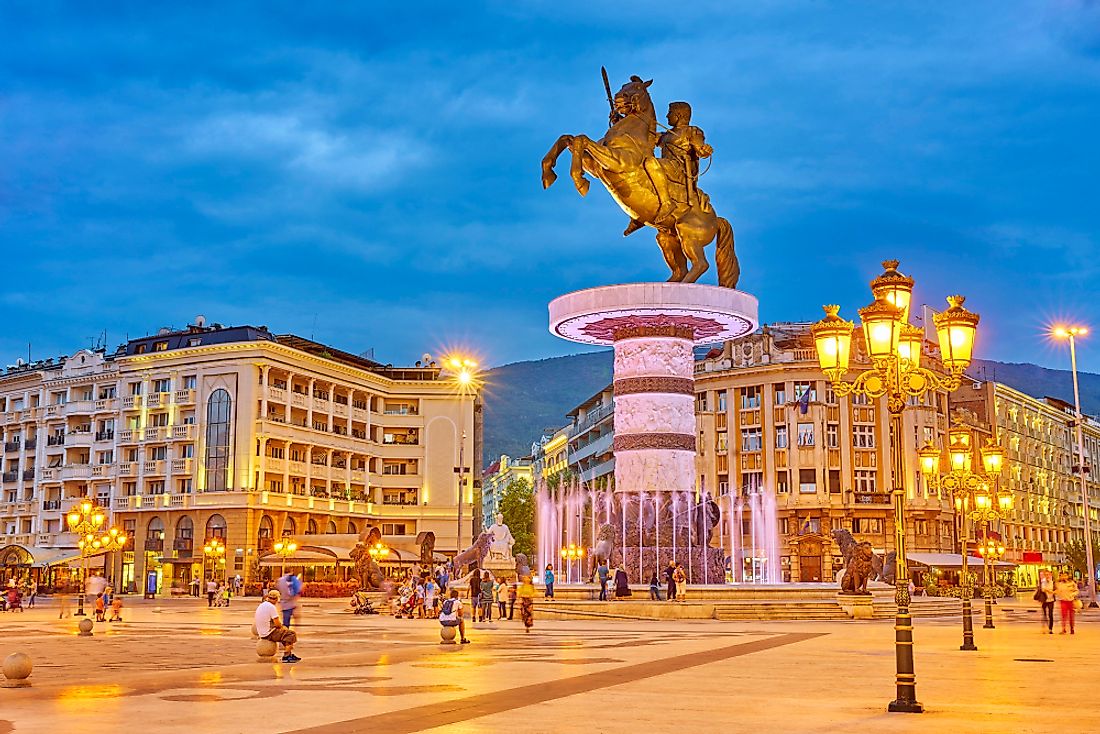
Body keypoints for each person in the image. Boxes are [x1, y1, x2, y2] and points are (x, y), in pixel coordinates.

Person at [255, 590, 300, 663]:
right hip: (269, 633)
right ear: (276, 599)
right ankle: (287, 656)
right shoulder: (271, 607)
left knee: (284, 634)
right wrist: (283, 627)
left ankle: (289, 653)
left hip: (261, 632)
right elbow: (277, 624)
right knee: (290, 634)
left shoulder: (262, 605)